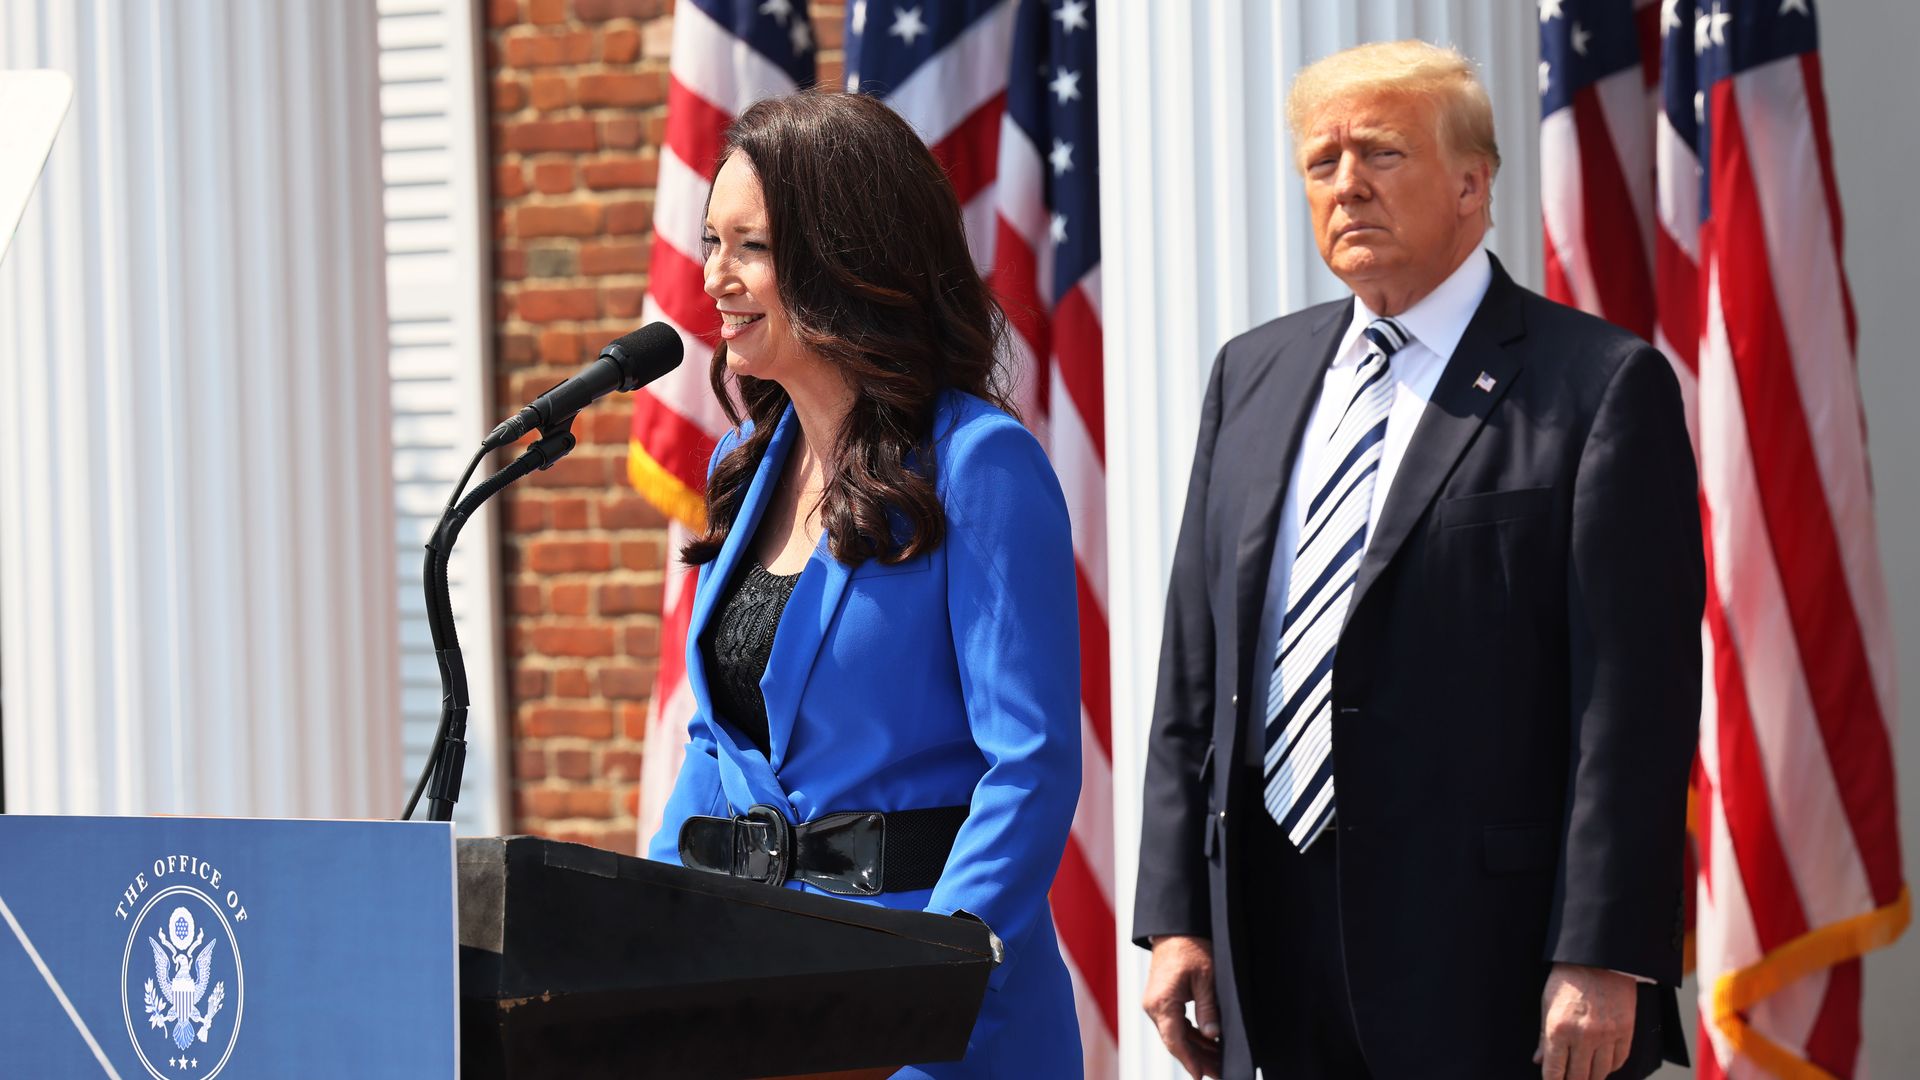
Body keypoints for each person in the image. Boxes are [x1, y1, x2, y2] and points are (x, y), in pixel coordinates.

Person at [1133, 40, 1703, 1080]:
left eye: (1382, 152)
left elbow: (1633, 704)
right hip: (1275, 938)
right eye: (1321, 162)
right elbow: (1195, 668)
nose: (1345, 183)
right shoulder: (1249, 375)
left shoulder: (1601, 386)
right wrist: (1178, 914)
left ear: (1473, 183)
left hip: (1491, 961)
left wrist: (1602, 952)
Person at [643, 90, 1083, 1078]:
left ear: (846, 256)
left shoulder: (980, 465)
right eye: (710, 241)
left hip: (937, 1020)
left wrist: (922, 985)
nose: (713, 277)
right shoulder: (747, 465)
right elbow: (719, 747)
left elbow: (1031, 765)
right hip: (764, 1007)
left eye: (749, 247)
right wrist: (641, 951)